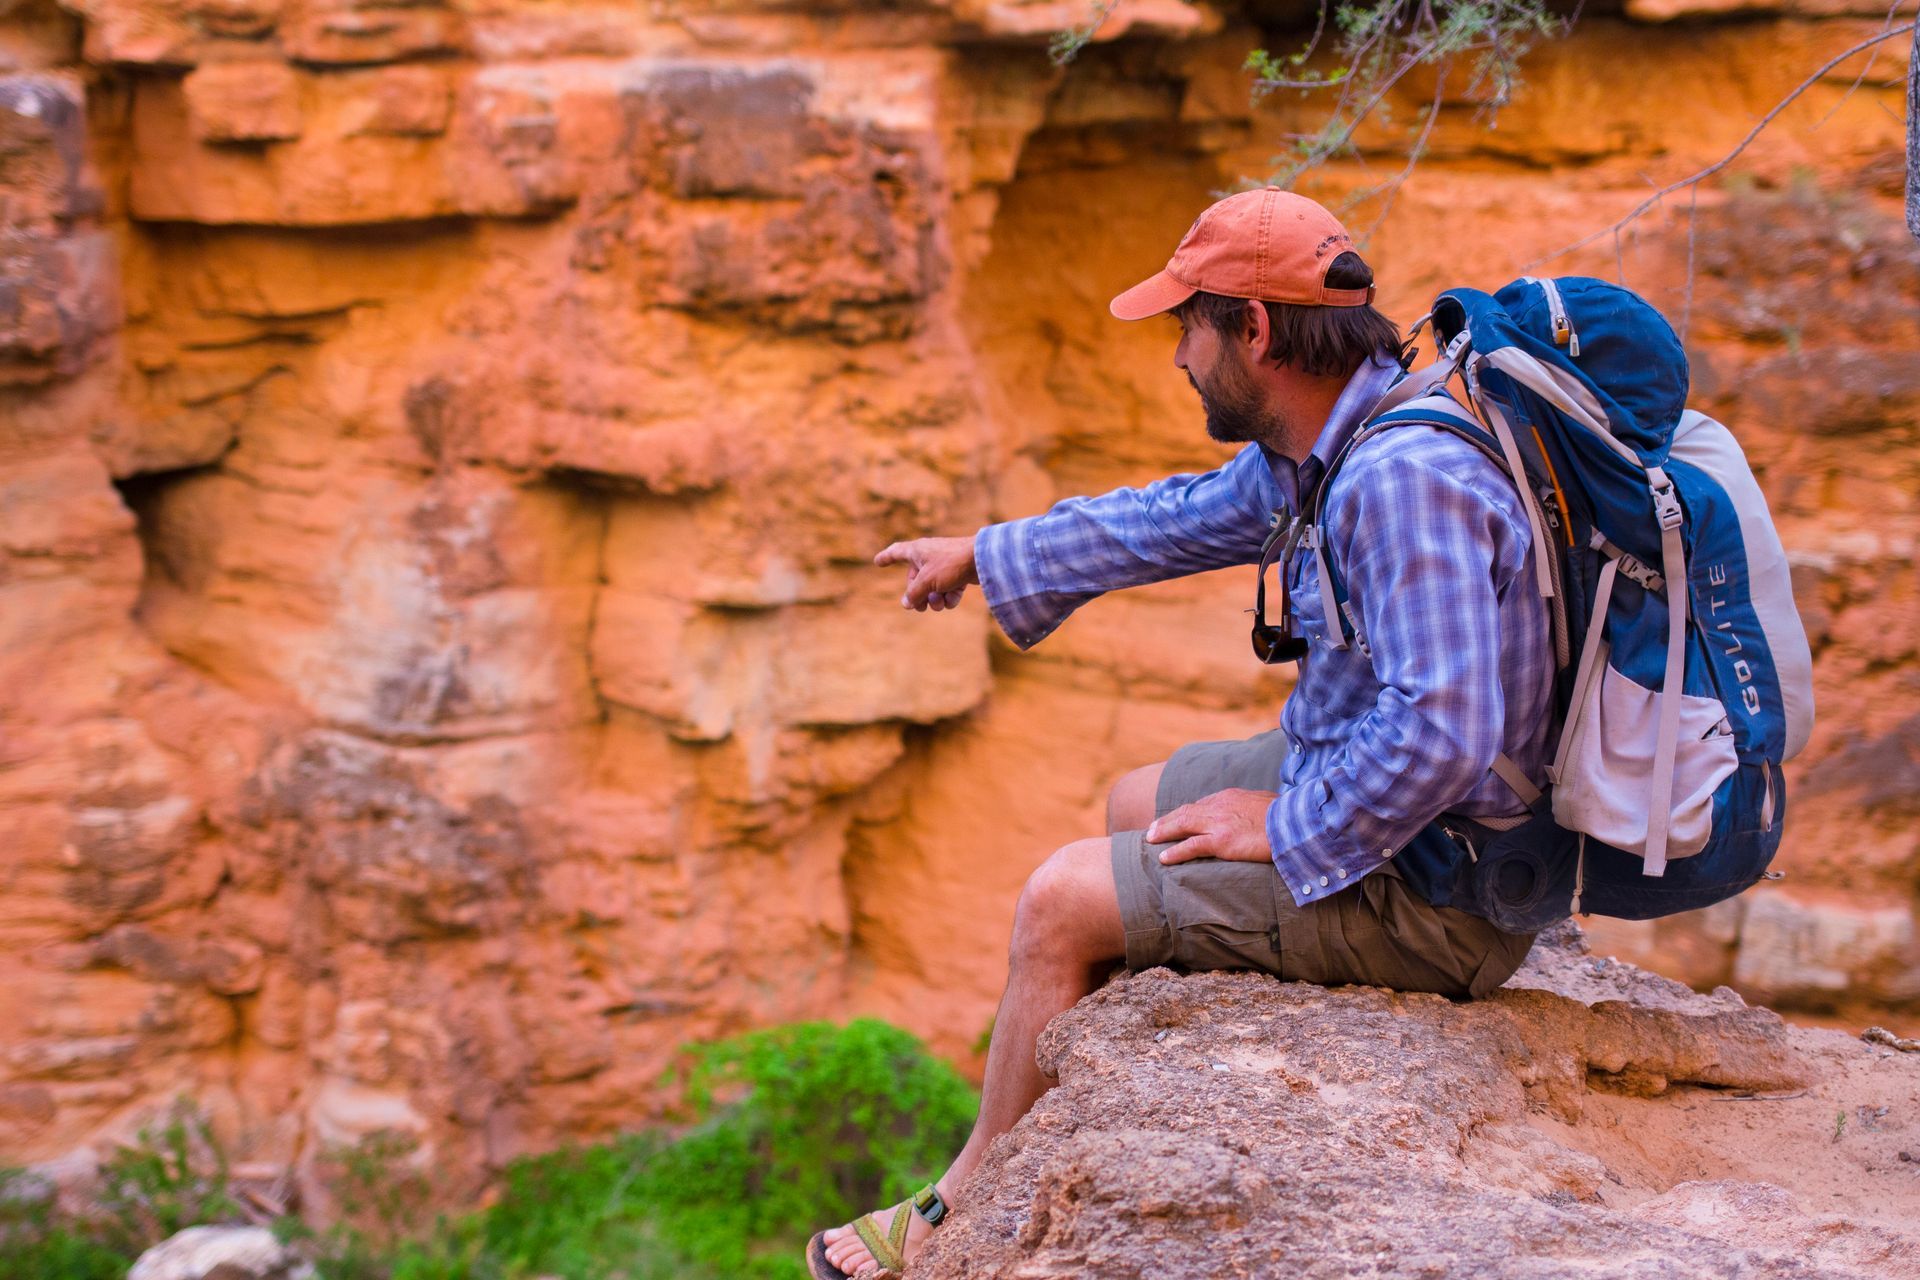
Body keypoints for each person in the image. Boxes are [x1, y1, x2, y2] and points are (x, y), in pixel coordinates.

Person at [807, 188, 1550, 1280]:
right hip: (1377, 789)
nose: (1179, 358)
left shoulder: (1400, 478)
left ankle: (956, 1205)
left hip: (1443, 886)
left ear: (1254, 328)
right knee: (1131, 802)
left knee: (1060, 900)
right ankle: (1062, 1130)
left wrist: (1287, 822)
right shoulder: (1334, 436)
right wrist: (988, 551)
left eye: (1186, 327)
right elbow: (1177, 516)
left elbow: (1445, 729)